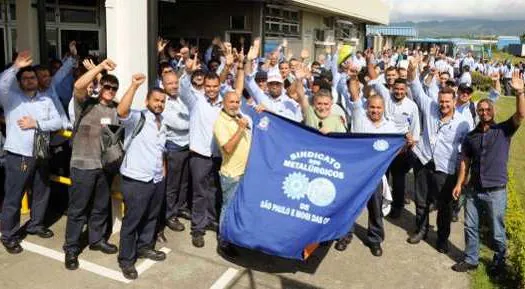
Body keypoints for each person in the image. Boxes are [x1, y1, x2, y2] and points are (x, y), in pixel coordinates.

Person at [451, 70, 524, 275]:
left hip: (495, 191)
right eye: (480, 110)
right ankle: (471, 259)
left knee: (497, 231)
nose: (483, 112)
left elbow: (520, 115)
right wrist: (459, 183)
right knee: (470, 227)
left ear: (492, 111)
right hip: (474, 189)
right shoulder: (471, 137)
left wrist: (519, 94)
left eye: (487, 109)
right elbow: (465, 161)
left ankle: (500, 262)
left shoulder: (503, 130)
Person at [179, 53, 244, 248]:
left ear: (219, 87)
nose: (212, 90)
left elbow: (239, 96)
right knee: (199, 193)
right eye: (208, 86)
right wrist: (187, 69)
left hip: (219, 155)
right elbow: (183, 88)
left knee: (216, 191)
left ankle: (212, 221)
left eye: (215, 86)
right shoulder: (195, 101)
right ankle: (197, 229)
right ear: (203, 87)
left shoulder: (224, 104)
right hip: (199, 155)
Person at [335, 76, 405, 256]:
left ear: (383, 109)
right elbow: (354, 92)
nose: (375, 110)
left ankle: (374, 239)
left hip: (375, 175)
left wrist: (406, 144)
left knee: (375, 208)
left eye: (378, 107)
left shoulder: (390, 127)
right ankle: (344, 235)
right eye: (372, 107)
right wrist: (352, 76)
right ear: (367, 107)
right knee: (349, 206)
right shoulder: (358, 115)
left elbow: (397, 148)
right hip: (354, 172)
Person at [0, 51, 62, 254]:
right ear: (19, 82)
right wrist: (15, 67)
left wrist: (36, 123)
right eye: (25, 78)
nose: (30, 80)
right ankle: (8, 234)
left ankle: (36, 224)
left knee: (42, 189)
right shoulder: (11, 99)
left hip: (41, 149)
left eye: (32, 77)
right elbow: (2, 84)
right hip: (20, 154)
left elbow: (57, 122)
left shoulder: (46, 100)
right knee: (14, 195)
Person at [407, 57, 470, 253]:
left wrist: (463, 177)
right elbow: (415, 86)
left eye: (447, 102)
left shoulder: (463, 123)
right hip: (424, 161)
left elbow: (467, 151)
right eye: (441, 101)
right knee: (421, 201)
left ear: (454, 102)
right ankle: (421, 230)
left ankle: (442, 239)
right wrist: (412, 68)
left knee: (444, 207)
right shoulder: (430, 107)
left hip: (445, 169)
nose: (443, 105)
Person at [63, 59, 120, 270]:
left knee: (100, 207)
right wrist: (99, 69)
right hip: (82, 165)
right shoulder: (84, 104)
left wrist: (105, 80)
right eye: (107, 86)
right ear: (99, 86)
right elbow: (78, 86)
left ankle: (96, 240)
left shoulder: (114, 109)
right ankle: (71, 248)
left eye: (114, 88)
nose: (110, 90)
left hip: (104, 167)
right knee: (78, 209)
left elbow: (123, 107)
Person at [117, 74, 168, 280]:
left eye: (163, 101)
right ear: (147, 101)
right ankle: (126, 260)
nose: (160, 104)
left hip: (156, 178)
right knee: (132, 220)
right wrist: (134, 86)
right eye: (156, 100)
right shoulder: (138, 117)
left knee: (151, 216)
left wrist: (163, 170)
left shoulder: (162, 121)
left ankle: (145, 246)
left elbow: (160, 149)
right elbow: (121, 111)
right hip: (136, 178)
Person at [367, 51, 420, 219]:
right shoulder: (385, 96)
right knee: (382, 177)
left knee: (398, 179)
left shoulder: (412, 106)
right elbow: (374, 79)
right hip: (384, 143)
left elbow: (415, 128)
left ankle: (397, 207)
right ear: (392, 88)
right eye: (396, 88)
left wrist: (411, 143)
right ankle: (380, 205)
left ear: (405, 90)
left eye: (401, 89)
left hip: (401, 146)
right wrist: (370, 61)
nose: (398, 91)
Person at [213, 91, 253, 260]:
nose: (235, 105)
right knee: (228, 209)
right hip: (232, 175)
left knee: (238, 210)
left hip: (245, 172)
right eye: (231, 102)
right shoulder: (220, 122)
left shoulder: (240, 118)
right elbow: (227, 148)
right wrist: (241, 129)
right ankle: (223, 242)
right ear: (223, 103)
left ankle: (234, 239)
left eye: (237, 102)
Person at [159, 72, 191, 238]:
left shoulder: (181, 98)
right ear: (163, 85)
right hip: (174, 147)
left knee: (184, 182)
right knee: (172, 185)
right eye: (169, 83)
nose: (173, 86)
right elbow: (178, 124)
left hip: (187, 145)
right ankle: (170, 215)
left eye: (175, 83)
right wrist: (195, 120)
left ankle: (181, 208)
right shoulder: (163, 102)